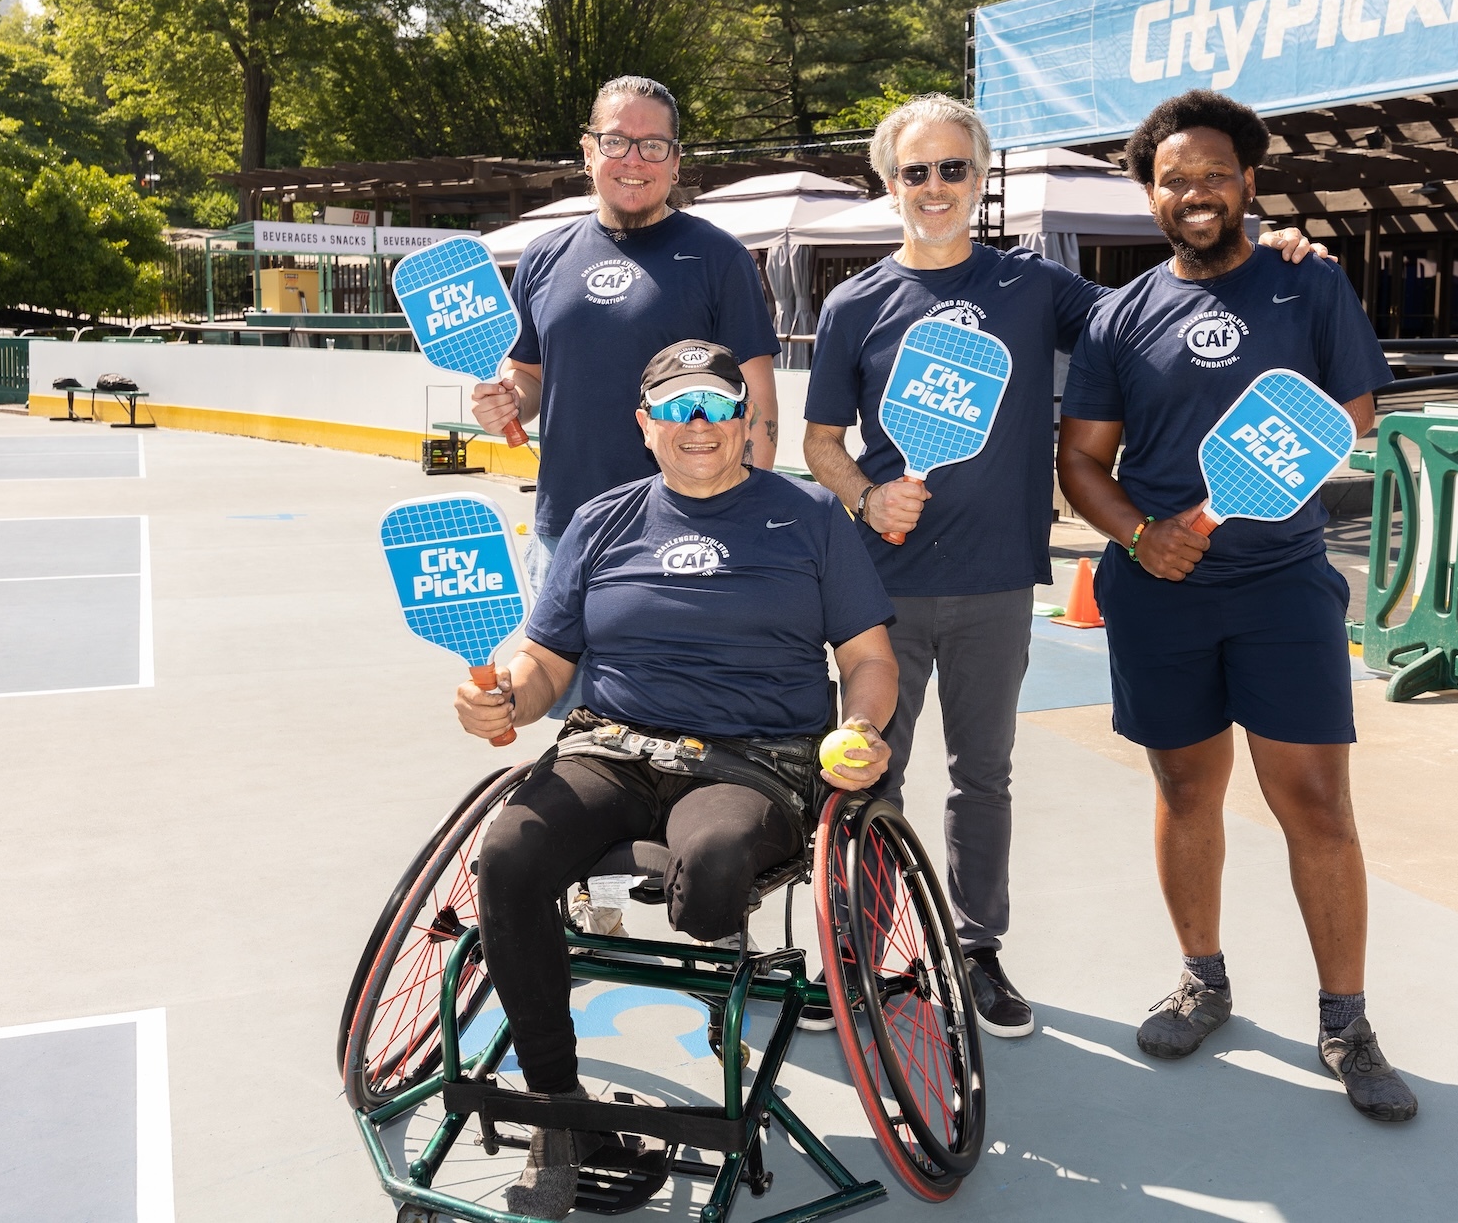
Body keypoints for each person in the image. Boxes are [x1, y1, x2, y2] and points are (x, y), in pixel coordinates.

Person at [802, 93, 1329, 1039]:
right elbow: (821, 441)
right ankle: (865, 953)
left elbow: (1169, 308)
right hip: (877, 589)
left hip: (999, 582)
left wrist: (1272, 247)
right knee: (867, 772)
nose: (935, 187)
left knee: (984, 779)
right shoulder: (853, 303)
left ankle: (974, 947)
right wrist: (864, 496)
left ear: (980, 177)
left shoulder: (1036, 290)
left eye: (953, 168)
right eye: (915, 171)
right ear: (890, 185)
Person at [455, 340, 900, 1219]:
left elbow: (870, 657)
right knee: (507, 851)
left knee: (717, 869)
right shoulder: (601, 520)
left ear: (746, 419)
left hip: (753, 756)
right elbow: (548, 661)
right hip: (614, 746)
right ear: (645, 424)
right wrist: (508, 693)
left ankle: (714, 953)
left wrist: (861, 726)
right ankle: (558, 1110)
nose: (698, 426)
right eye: (677, 408)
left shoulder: (810, 517)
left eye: (716, 406)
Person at [1056, 88, 1413, 1122]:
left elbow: (1345, 413)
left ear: (1248, 182)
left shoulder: (1307, 286)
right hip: (1159, 595)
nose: (1195, 193)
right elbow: (1080, 459)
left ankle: (1345, 1022)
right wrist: (1136, 533)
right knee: (1183, 791)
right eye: (1174, 180)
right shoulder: (1119, 315)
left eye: (1214, 175)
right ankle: (1201, 979)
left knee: (1314, 804)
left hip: (1281, 588)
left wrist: (1256, 480)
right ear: (1149, 194)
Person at [469, 76, 783, 598]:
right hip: (563, 532)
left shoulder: (719, 258)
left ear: (676, 161)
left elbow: (758, 402)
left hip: (685, 529)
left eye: (653, 146)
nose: (633, 160)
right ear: (589, 152)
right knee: (555, 682)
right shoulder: (543, 257)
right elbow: (528, 375)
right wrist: (507, 401)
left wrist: (740, 518)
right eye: (615, 141)